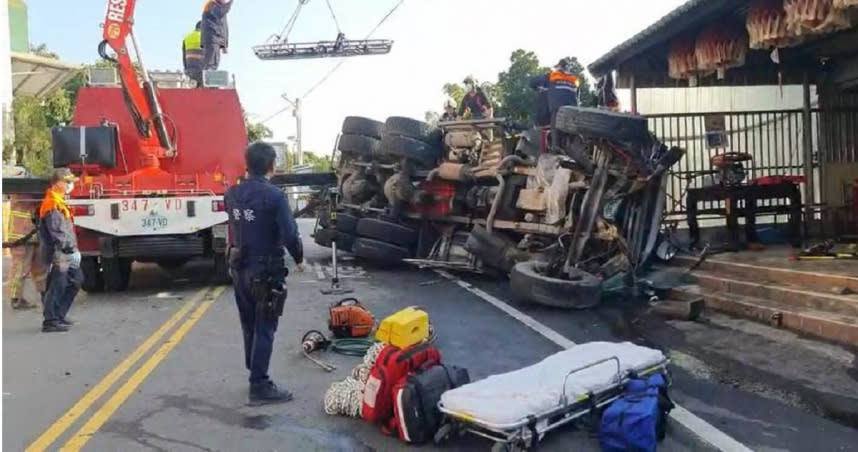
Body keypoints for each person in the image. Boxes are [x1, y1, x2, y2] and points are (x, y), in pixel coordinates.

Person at [225, 142, 304, 405]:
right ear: (272, 165)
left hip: (239, 267)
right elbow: (290, 233)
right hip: (265, 269)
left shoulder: (232, 194)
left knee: (249, 323)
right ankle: (259, 385)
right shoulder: (275, 196)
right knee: (266, 326)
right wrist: (300, 258)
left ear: (247, 164)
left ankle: (254, 368)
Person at [38, 169, 83, 333]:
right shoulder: (52, 204)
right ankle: (51, 320)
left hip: (65, 252)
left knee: (75, 281)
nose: (70, 185)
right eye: (67, 182)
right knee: (58, 285)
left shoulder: (59, 201)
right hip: (60, 253)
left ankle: (59, 315)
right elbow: (58, 232)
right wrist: (71, 250)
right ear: (58, 183)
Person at [3, 195, 45, 310]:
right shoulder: (23, 189)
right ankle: (16, 298)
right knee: (20, 267)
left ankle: (44, 293)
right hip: (22, 235)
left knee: (39, 268)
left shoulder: (26, 187)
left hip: (32, 233)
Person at [530, 58, 581, 124]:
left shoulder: (552, 76)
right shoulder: (574, 79)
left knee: (555, 128)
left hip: (557, 110)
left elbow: (533, 82)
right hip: (573, 111)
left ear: (559, 67)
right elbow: (577, 95)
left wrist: (538, 89)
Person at [201, 0, 233, 71]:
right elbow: (220, 12)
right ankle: (208, 80)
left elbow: (223, 28)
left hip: (215, 39)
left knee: (214, 63)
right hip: (212, 38)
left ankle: (209, 79)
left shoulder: (218, 6)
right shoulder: (212, 3)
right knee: (211, 64)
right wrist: (230, 3)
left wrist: (224, 45)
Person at [183, 21, 204, 88]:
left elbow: (184, 57)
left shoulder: (187, 38)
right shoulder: (206, 38)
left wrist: (186, 70)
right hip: (202, 72)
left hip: (190, 71)